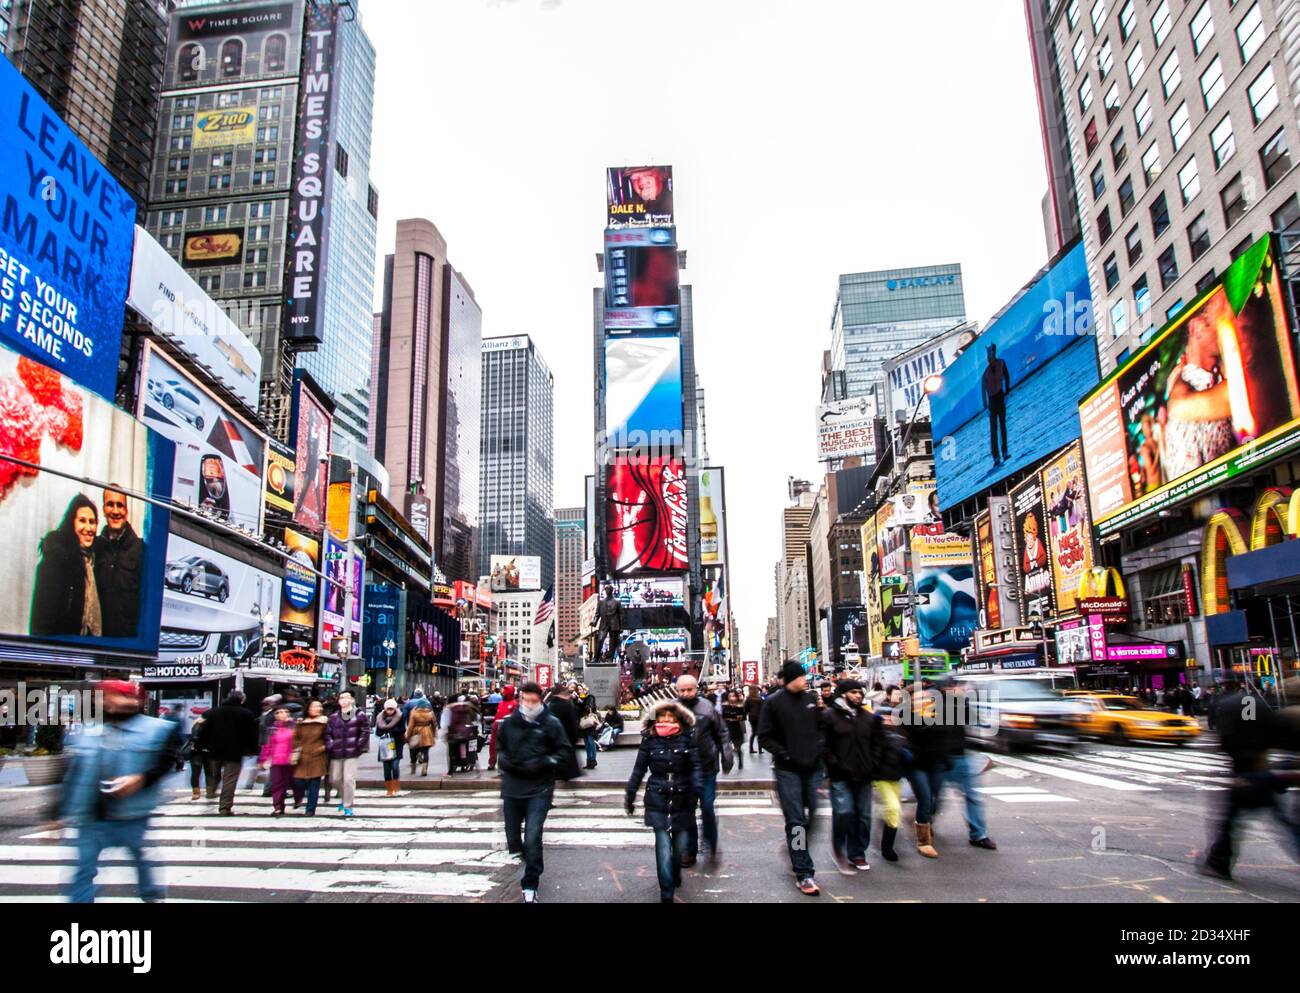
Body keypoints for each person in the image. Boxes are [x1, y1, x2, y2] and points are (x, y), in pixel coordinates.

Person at [56, 681, 180, 903]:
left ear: (132, 699)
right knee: (84, 869)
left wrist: (141, 779)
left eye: (112, 695)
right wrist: (55, 813)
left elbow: (168, 761)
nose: (105, 700)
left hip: (132, 814)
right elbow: (73, 772)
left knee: (140, 858)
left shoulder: (157, 728)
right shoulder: (90, 729)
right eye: (102, 696)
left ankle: (151, 896)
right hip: (90, 814)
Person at [1202, 682, 1300, 879]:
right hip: (1263, 771)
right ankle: (1217, 861)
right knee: (1284, 823)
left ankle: (1217, 862)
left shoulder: (1232, 708)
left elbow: (1230, 742)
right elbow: (1275, 738)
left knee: (1230, 821)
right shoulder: (1263, 708)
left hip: (1248, 774)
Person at [496, 682, 571, 903]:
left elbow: (564, 751)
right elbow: (501, 747)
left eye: (533, 701)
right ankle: (527, 859)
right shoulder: (510, 723)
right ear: (519, 699)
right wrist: (506, 762)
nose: (528, 705)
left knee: (532, 836)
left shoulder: (551, 723)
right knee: (513, 838)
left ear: (540, 700)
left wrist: (544, 762)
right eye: (525, 700)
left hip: (540, 787)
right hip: (512, 787)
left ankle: (531, 883)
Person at [625, 699, 703, 903]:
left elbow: (696, 767)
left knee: (678, 849)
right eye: (662, 717)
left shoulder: (688, 738)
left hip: (682, 796)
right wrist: (630, 794)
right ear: (655, 719)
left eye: (671, 717)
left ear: (679, 720)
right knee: (662, 846)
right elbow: (639, 769)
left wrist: (698, 789)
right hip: (657, 796)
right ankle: (666, 891)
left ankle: (675, 873)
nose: (666, 721)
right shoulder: (649, 740)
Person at [758, 661, 825, 896]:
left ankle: (797, 848)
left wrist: (820, 750)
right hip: (787, 770)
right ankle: (803, 872)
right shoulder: (773, 702)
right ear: (789, 679)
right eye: (801, 677)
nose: (805, 680)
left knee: (814, 815)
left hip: (814, 769)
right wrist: (785, 753)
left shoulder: (810, 699)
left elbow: (820, 728)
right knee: (796, 822)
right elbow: (763, 736)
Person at [820, 679, 880, 872]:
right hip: (840, 775)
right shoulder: (830, 716)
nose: (858, 695)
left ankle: (857, 853)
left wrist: (873, 764)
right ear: (844, 694)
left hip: (864, 774)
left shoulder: (868, 717)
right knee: (844, 812)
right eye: (854, 692)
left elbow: (878, 744)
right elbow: (824, 744)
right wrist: (833, 765)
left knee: (863, 816)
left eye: (860, 692)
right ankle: (840, 849)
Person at [931, 679, 997, 851]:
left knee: (972, 797)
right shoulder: (933, 705)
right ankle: (925, 822)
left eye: (956, 687)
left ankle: (979, 835)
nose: (956, 689)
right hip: (939, 759)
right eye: (952, 687)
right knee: (934, 797)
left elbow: (974, 721)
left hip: (961, 757)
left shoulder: (961, 704)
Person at [675, 674, 732, 864]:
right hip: (683, 769)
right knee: (687, 811)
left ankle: (710, 841)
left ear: (696, 689)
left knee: (707, 807)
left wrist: (727, 756)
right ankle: (690, 850)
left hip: (707, 766)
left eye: (689, 689)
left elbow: (722, 732)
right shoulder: (672, 709)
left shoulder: (707, 708)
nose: (686, 693)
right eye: (682, 690)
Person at [30, 494, 103, 638]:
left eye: (92, 522)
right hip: (60, 652)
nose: (88, 528)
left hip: (86, 650)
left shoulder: (94, 561)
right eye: (82, 521)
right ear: (72, 523)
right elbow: (41, 621)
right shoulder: (56, 560)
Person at [900, 684, 945, 858]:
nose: (924, 701)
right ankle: (924, 842)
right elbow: (920, 731)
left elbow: (945, 737)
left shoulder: (938, 715)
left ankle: (923, 821)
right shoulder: (906, 716)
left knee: (934, 799)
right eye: (919, 698)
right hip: (916, 765)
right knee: (925, 799)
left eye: (927, 698)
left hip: (937, 763)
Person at [93, 487, 144, 639]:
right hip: (98, 644)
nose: (115, 511)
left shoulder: (142, 549)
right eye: (110, 504)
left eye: (120, 505)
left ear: (126, 511)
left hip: (129, 646)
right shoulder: (94, 547)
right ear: (103, 509)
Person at [197, 690, 258, 815]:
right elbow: (251, 735)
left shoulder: (214, 712)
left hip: (214, 750)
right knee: (230, 780)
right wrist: (252, 750)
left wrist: (200, 746)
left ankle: (211, 790)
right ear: (241, 700)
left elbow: (204, 731)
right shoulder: (246, 714)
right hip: (234, 752)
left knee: (214, 774)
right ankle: (224, 807)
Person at [325, 690, 369, 817]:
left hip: (352, 752)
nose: (343, 700)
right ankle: (344, 798)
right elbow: (328, 733)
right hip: (337, 751)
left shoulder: (359, 715)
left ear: (352, 700)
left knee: (349, 779)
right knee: (335, 778)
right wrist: (331, 744)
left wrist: (359, 745)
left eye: (346, 698)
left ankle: (348, 805)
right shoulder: (333, 717)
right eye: (341, 698)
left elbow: (365, 731)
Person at [258, 704, 297, 816]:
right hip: (277, 760)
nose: (282, 714)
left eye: (284, 712)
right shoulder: (271, 729)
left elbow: (298, 742)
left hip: (291, 760)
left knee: (294, 783)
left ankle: (297, 799)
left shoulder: (293, 727)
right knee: (277, 784)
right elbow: (267, 746)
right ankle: (278, 807)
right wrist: (263, 760)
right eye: (278, 712)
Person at [291, 699, 328, 815]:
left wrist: (323, 747)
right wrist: (296, 748)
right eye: (315, 706)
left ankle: (310, 809)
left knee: (314, 784)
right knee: (298, 781)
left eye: (319, 707)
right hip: (302, 756)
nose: (318, 709)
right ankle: (300, 797)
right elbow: (296, 737)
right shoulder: (301, 723)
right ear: (309, 708)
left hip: (317, 755)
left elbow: (330, 737)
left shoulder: (324, 722)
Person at [544, 682, 583, 781]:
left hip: (553, 743)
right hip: (567, 741)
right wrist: (575, 738)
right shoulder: (567, 706)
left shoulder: (549, 705)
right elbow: (573, 724)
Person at [981, 342, 1012, 464]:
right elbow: (983, 389)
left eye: (990, 355)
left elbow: (1007, 376)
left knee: (1003, 425)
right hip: (992, 402)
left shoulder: (1001, 363)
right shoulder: (986, 372)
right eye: (988, 357)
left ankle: (1004, 452)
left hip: (1000, 396)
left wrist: (1007, 392)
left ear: (994, 354)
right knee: (993, 429)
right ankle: (996, 456)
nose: (989, 358)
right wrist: (985, 405)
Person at [442, 694, 481, 774]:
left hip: (454, 733)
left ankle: (451, 770)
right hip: (468, 732)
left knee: (452, 751)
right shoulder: (469, 708)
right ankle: (472, 765)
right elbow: (477, 718)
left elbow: (446, 722)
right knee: (471, 750)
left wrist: (446, 731)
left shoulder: (451, 708)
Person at [374, 699, 406, 796]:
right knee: (386, 769)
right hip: (385, 745)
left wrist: (391, 730)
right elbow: (377, 732)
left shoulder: (400, 716)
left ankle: (396, 787)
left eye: (392, 709)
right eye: (388, 709)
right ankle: (389, 789)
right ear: (385, 709)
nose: (390, 711)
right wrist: (384, 731)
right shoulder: (380, 718)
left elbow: (402, 729)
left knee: (395, 766)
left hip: (397, 744)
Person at [488, 684, 519, 771]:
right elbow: (497, 715)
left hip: (507, 729)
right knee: (493, 746)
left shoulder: (514, 704)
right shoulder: (501, 703)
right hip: (496, 727)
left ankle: (506, 765)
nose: (504, 694)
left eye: (505, 692)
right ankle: (492, 763)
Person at [183, 708, 209, 800]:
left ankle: (196, 792)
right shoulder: (207, 725)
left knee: (195, 773)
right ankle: (209, 790)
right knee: (208, 772)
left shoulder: (195, 724)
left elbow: (193, 738)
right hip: (206, 751)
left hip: (195, 751)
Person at [574, 683, 599, 770]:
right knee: (586, 743)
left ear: (584, 690)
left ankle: (593, 760)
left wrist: (582, 702)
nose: (579, 691)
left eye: (580, 689)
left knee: (590, 741)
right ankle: (588, 761)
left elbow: (590, 707)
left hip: (589, 722)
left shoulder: (590, 697)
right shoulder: (576, 699)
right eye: (578, 690)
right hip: (582, 723)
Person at [722, 690, 747, 770]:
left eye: (733, 696)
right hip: (727, 728)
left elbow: (743, 717)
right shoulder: (725, 705)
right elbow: (723, 716)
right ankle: (727, 763)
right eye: (730, 696)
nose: (732, 698)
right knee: (725, 747)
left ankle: (740, 761)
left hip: (737, 728)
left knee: (737, 747)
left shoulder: (740, 706)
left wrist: (735, 717)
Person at [745, 686, 764, 754]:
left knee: (753, 733)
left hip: (752, 717)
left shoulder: (748, 699)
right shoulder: (759, 699)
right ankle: (760, 749)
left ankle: (751, 748)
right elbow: (763, 708)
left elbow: (746, 709)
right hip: (759, 717)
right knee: (759, 733)